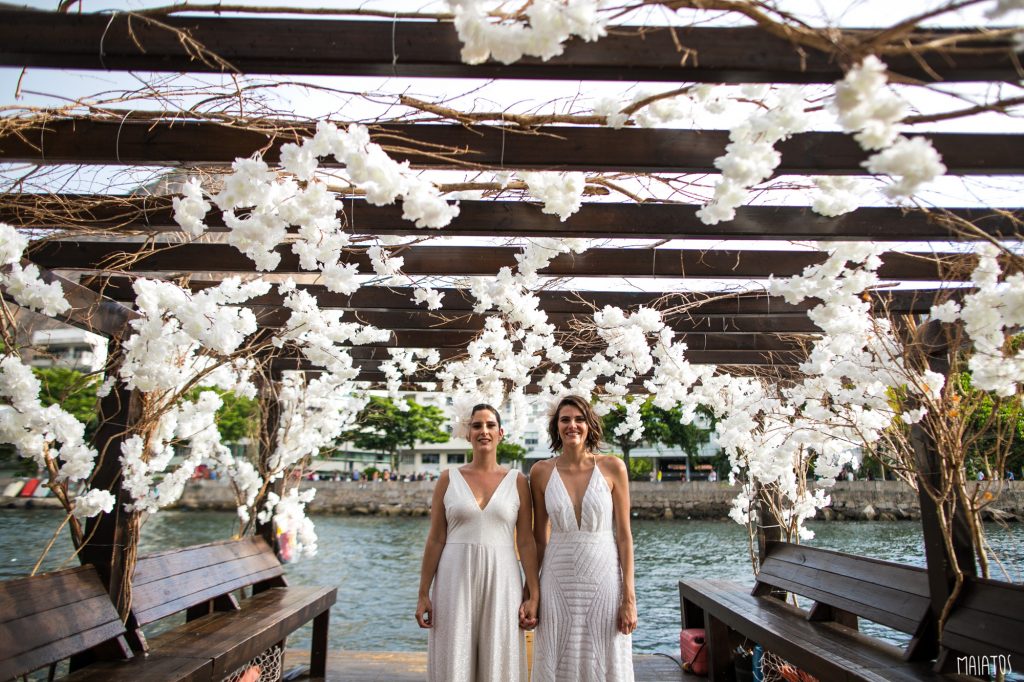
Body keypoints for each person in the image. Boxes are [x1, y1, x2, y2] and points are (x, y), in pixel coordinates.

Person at [416, 404, 540, 682]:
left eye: (489, 425)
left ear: (500, 433)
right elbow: (436, 538)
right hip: (453, 578)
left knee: (501, 655)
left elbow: (527, 541)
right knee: (454, 655)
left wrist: (533, 593)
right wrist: (423, 592)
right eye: (476, 425)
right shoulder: (448, 478)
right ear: (468, 433)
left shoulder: (518, 480)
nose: (483, 431)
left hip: (503, 578)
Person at [530, 395, 636, 682]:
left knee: (605, 653)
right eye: (565, 419)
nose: (572, 425)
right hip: (556, 579)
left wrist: (629, 598)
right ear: (556, 426)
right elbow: (539, 538)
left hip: (604, 576)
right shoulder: (540, 473)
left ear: (589, 425)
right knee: (556, 651)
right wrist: (531, 591)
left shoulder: (613, 467)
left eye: (579, 419)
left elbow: (624, 536)